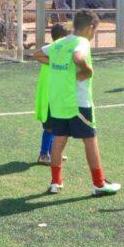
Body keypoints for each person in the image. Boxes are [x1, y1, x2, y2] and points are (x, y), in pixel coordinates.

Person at [33, 9, 121, 196]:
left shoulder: (59, 43)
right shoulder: (82, 42)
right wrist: (87, 69)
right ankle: (99, 184)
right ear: (90, 28)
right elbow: (77, 57)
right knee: (90, 140)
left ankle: (55, 183)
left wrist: (59, 66)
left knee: (59, 140)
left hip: (58, 102)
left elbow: (38, 54)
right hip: (77, 103)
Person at [36, 22, 69, 165]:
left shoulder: (60, 52)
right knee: (50, 126)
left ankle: (52, 152)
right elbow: (36, 55)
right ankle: (43, 154)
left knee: (57, 125)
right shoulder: (51, 50)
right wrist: (54, 62)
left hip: (58, 95)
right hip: (50, 95)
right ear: (61, 38)